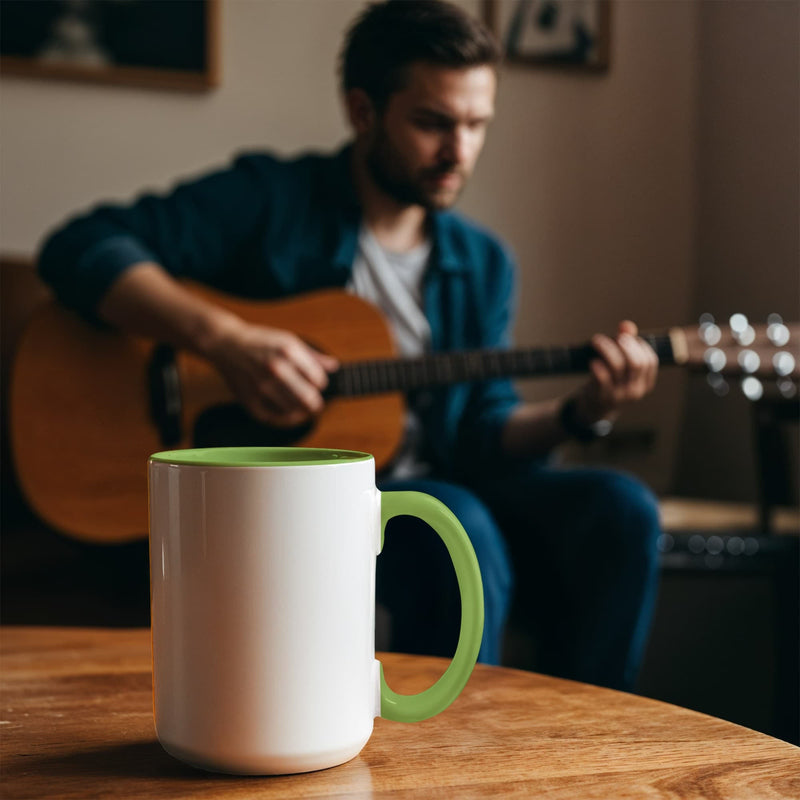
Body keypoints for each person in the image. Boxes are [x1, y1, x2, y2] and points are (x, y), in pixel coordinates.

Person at [38, 0, 661, 691]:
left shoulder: (484, 263)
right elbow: (81, 244)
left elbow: (485, 427)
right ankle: (440, 760)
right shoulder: (272, 200)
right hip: (308, 506)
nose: (460, 152)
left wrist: (581, 412)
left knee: (622, 508)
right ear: (363, 111)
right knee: (455, 518)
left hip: (445, 489)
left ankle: (595, 741)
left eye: (477, 125)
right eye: (433, 123)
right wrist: (227, 339)